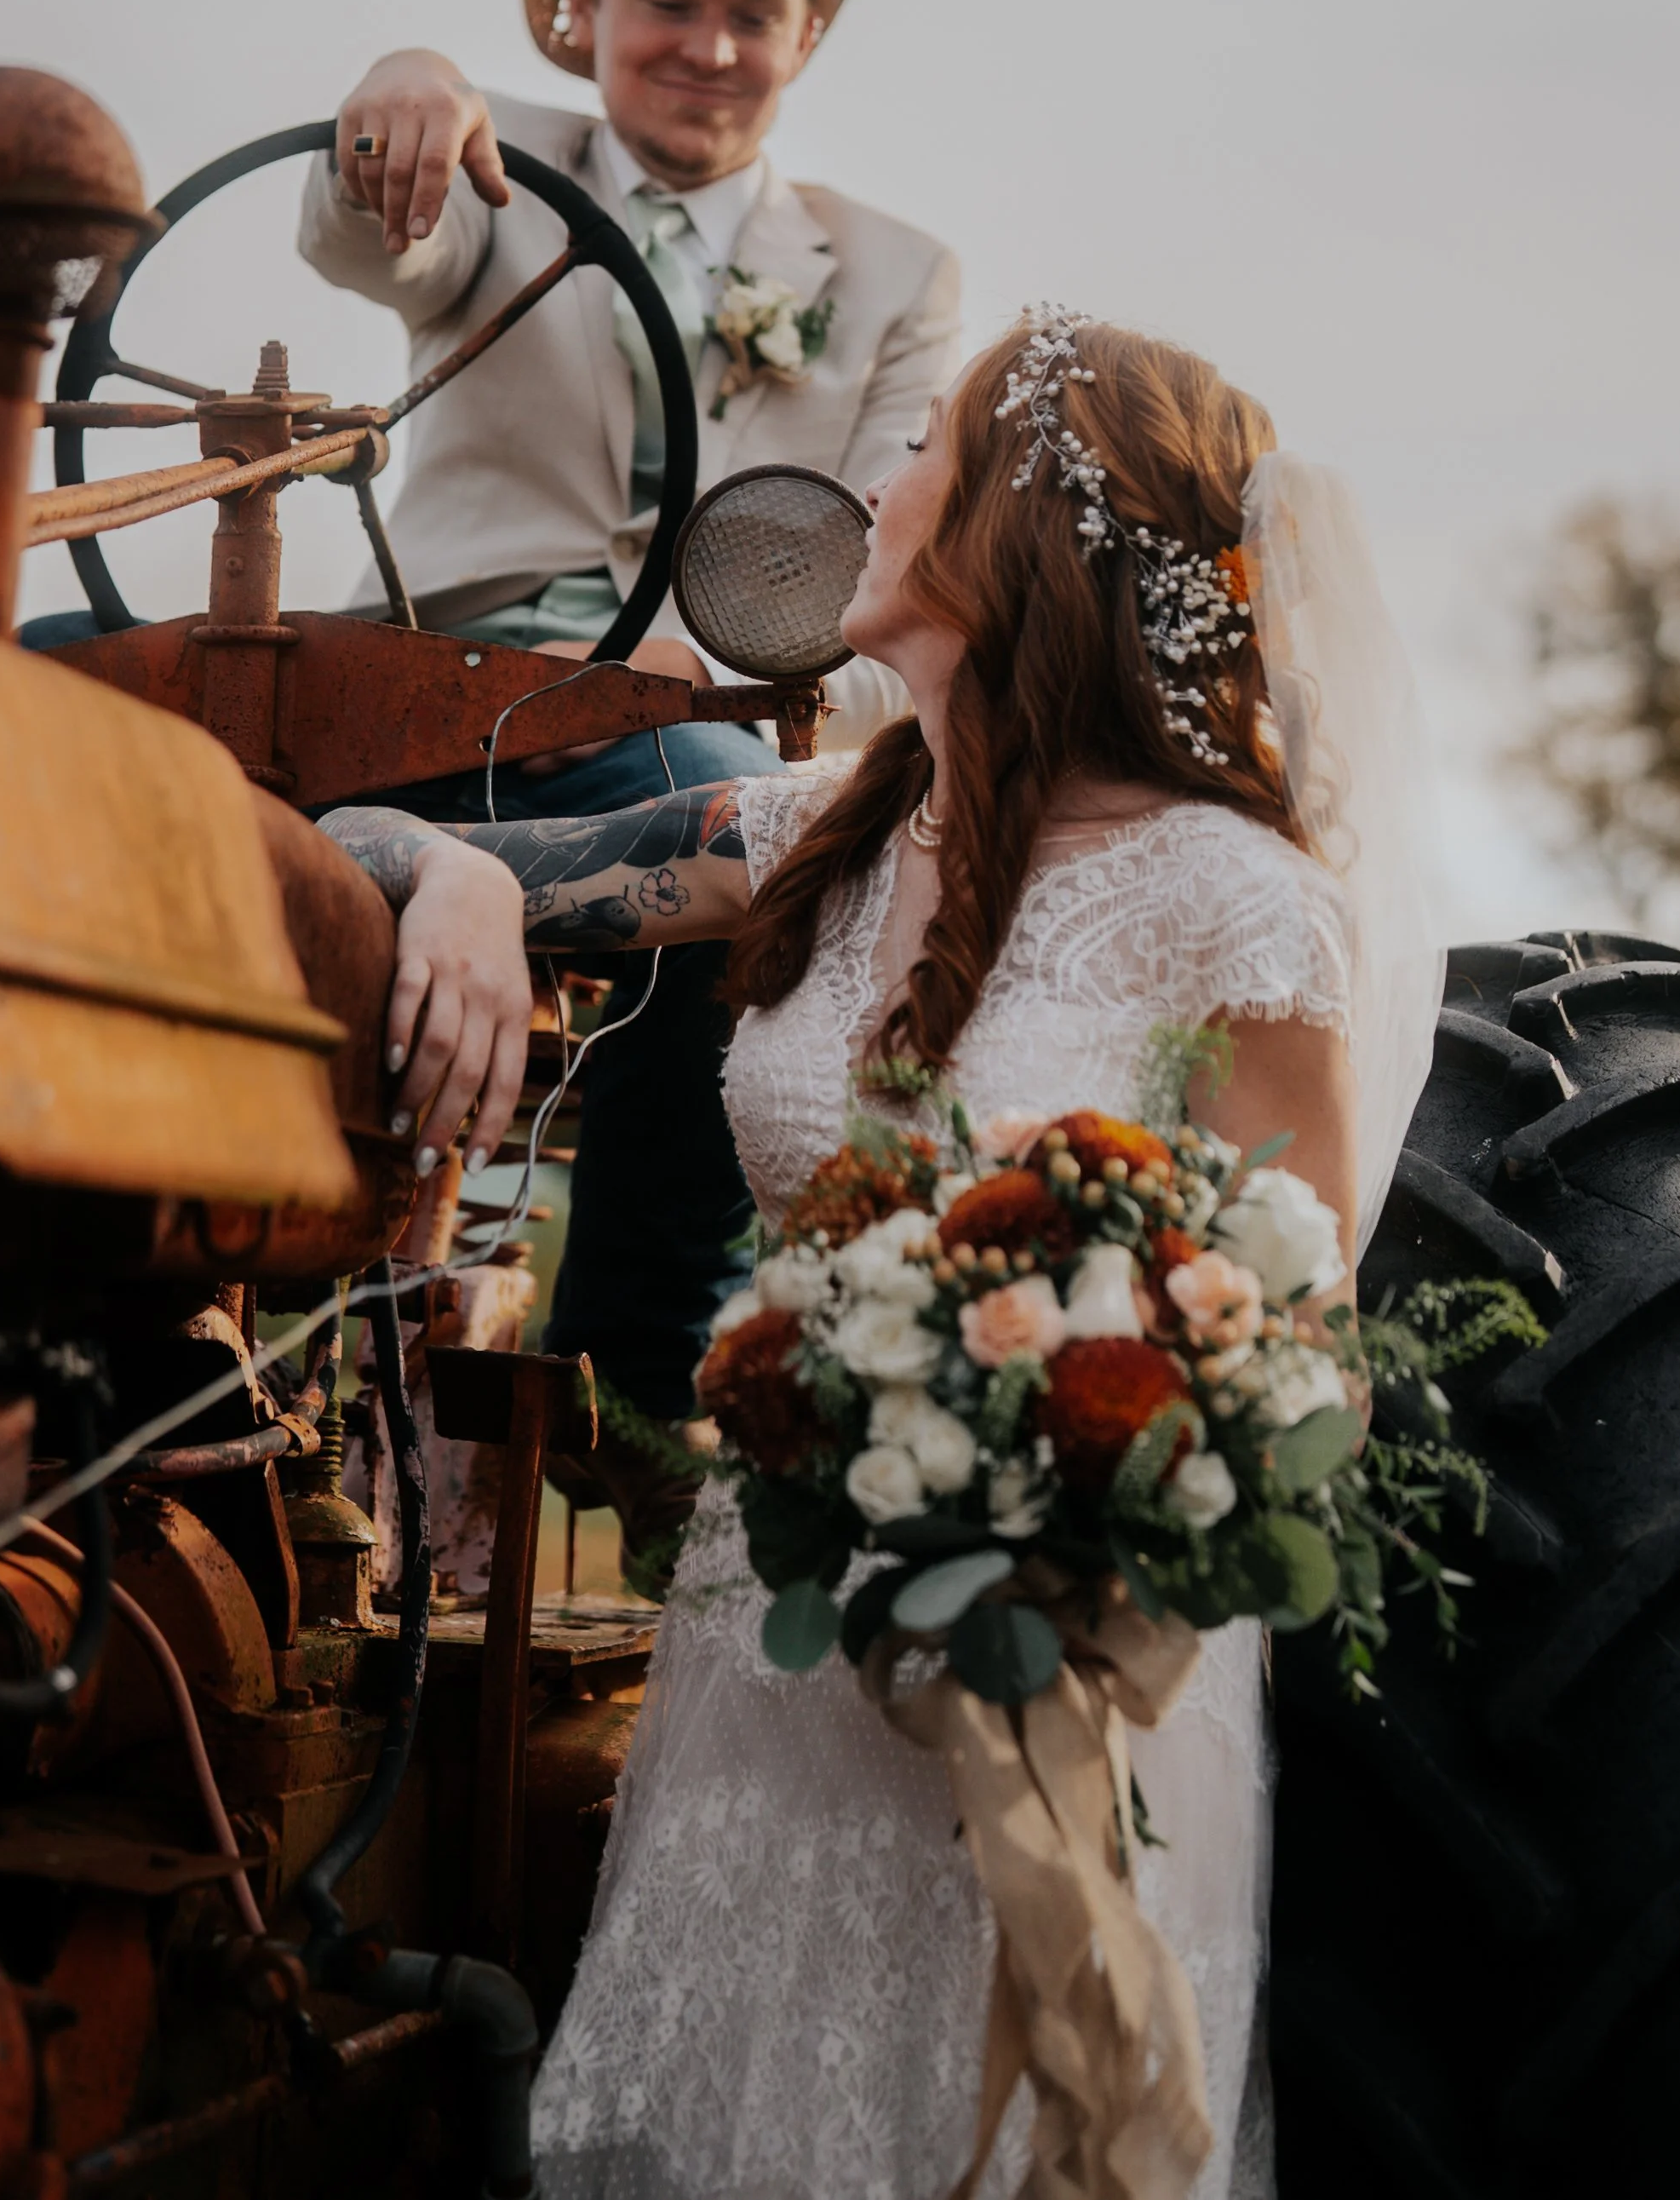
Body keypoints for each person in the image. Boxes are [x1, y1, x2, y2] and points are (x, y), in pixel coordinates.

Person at [321, 314, 1441, 2198]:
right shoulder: (809, 838)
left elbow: (1284, 1360)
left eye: (919, 447)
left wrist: (1023, 1504)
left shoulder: (1242, 907)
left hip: (1058, 1689)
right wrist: (468, 881)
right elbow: (353, 832)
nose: (875, 489)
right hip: (764, 1655)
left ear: (1015, 531)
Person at [299, 0, 960, 1572]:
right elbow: (383, 237)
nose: (709, 45)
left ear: (806, 37)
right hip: (434, 683)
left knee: (760, 863)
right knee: (97, 700)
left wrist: (717, 655)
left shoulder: (893, 275)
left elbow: (898, 540)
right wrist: (400, 90)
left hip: (698, 709)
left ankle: (636, 1363)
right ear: (584, 10)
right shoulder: (490, 155)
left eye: (754, 12)